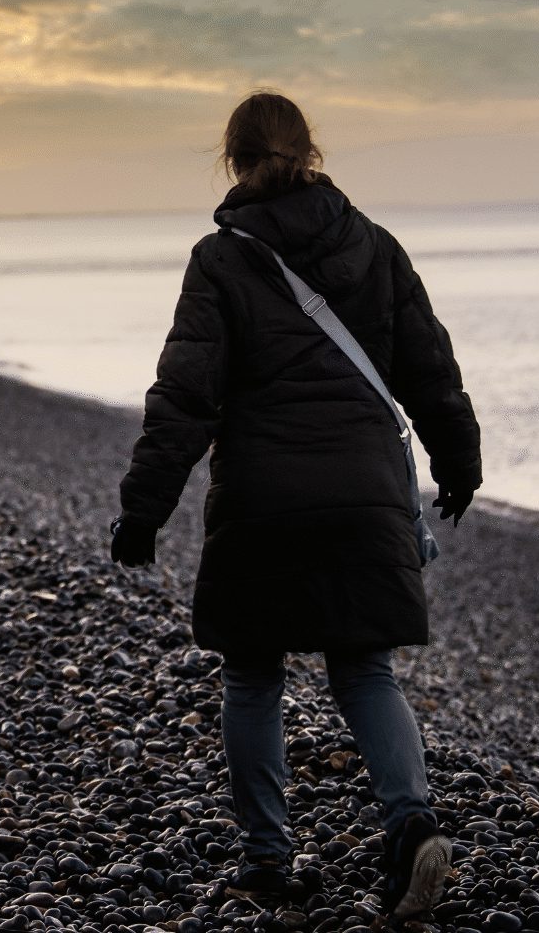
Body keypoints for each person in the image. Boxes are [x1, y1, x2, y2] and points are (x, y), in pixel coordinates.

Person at [111, 91, 481, 920]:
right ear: (310, 151)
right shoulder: (375, 246)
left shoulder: (221, 260)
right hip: (365, 494)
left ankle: (268, 861)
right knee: (365, 667)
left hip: (263, 501)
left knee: (252, 678)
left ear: (233, 161)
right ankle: (411, 822)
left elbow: (185, 397)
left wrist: (144, 510)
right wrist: (459, 462)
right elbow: (430, 366)